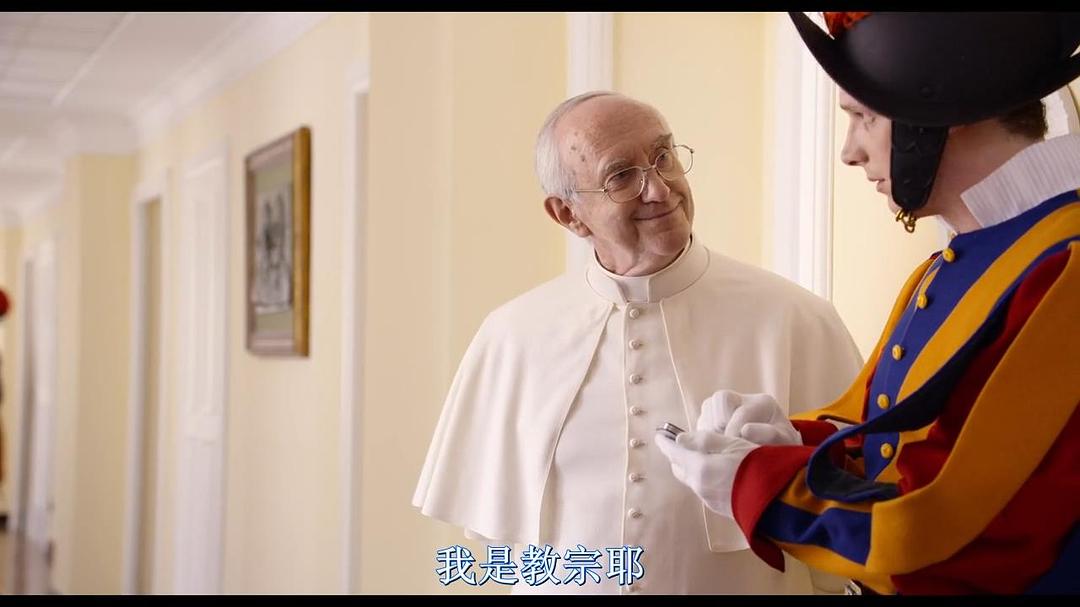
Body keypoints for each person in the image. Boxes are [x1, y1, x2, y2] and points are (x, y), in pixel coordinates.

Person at [656, 12, 1080, 594]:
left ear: (945, 112)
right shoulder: (949, 264)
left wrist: (759, 483)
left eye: (864, 117)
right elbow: (883, 437)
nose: (849, 152)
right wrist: (791, 441)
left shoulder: (1064, 269)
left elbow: (942, 528)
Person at [413, 91, 864, 594]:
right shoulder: (512, 336)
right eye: (621, 175)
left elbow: (856, 517)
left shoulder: (796, 319)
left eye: (664, 156)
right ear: (567, 214)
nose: (659, 188)